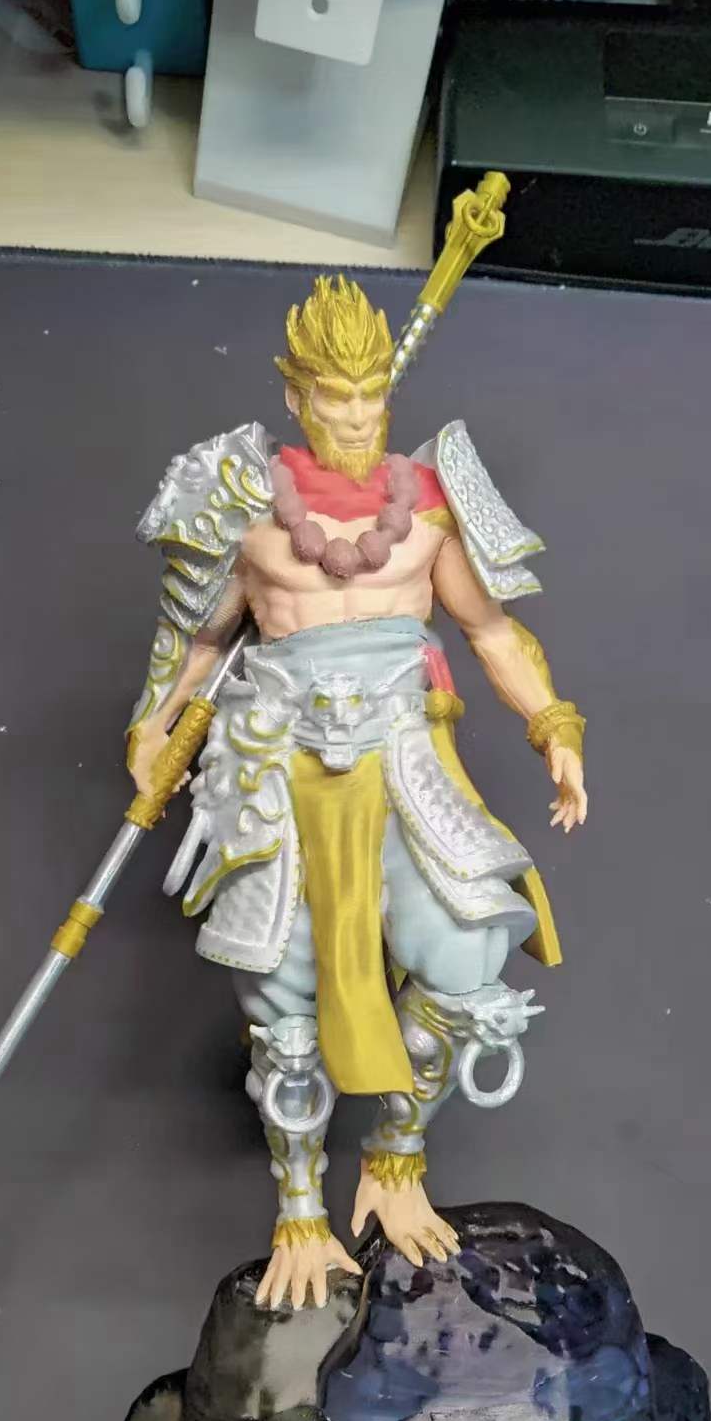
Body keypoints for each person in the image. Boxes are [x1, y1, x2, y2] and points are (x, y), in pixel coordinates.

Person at [127, 275, 587, 1310]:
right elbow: (194, 641)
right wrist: (152, 730)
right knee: (280, 1000)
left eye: (371, 394)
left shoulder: (427, 507)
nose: (355, 416)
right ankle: (299, 1210)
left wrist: (553, 724)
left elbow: (491, 630)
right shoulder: (241, 506)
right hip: (277, 766)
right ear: (297, 395)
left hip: (401, 756)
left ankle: (395, 1159)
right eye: (334, 396)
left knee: (465, 958)